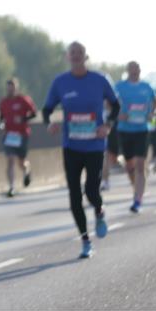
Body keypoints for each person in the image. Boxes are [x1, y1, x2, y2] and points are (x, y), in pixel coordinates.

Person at [41, 42, 119, 259]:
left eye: (80, 53)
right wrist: (49, 123)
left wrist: (108, 125)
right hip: (71, 145)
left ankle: (99, 210)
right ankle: (85, 241)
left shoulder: (99, 80)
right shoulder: (60, 82)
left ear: (86, 57)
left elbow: (116, 105)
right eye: (72, 53)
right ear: (67, 57)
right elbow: (46, 109)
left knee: (91, 191)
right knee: (74, 195)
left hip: (94, 145)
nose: (76, 56)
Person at [114, 61, 156, 213]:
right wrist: (118, 114)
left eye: (136, 68)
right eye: (131, 69)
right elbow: (109, 103)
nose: (134, 71)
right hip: (125, 130)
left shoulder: (146, 87)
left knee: (140, 164)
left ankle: (138, 199)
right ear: (127, 71)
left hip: (142, 130)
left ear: (139, 70)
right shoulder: (119, 86)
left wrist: (152, 113)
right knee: (130, 166)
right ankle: (136, 189)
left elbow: (155, 101)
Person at [0, 78, 37, 197]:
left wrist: (24, 119)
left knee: (21, 161)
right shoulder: (3, 102)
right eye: (8, 88)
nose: (10, 90)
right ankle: (11, 187)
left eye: (12, 88)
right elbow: (1, 117)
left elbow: (34, 114)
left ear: (16, 88)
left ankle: (26, 171)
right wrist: (1, 124)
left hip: (22, 134)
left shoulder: (24, 100)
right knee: (10, 160)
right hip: (9, 135)